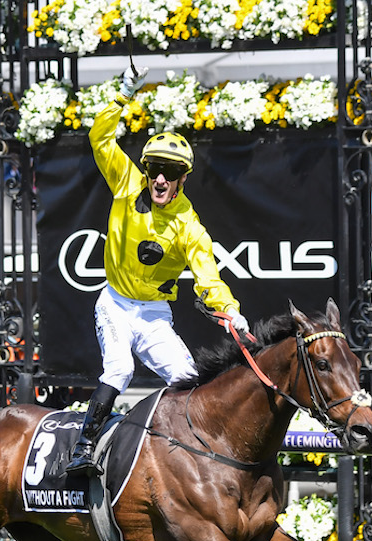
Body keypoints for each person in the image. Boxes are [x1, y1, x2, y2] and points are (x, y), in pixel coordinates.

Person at [64, 66, 249, 477]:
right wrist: (124, 91)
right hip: (114, 304)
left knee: (187, 377)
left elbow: (208, 277)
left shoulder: (189, 226)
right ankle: (83, 449)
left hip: (153, 315)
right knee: (120, 370)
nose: (159, 178)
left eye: (169, 171)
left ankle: (190, 458)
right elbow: (100, 138)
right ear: (145, 169)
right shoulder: (127, 182)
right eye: (154, 169)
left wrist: (230, 311)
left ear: (183, 177)